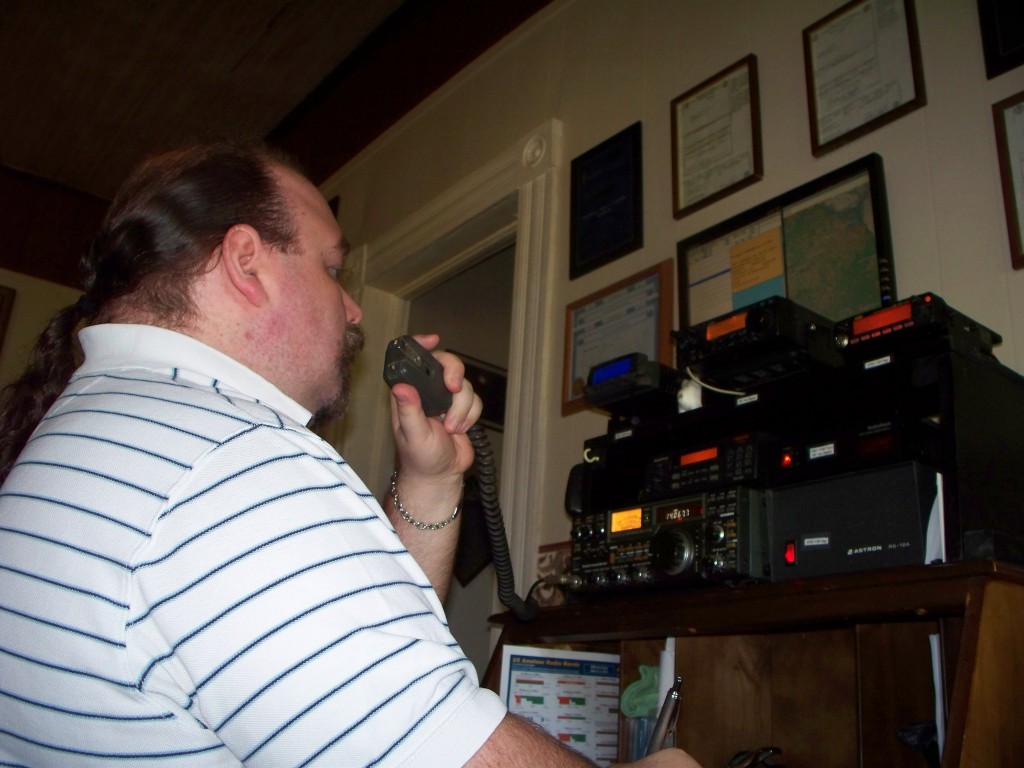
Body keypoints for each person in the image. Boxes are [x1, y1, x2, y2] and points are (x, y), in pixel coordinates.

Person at [0, 140, 702, 768]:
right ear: (247, 262)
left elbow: (353, 685)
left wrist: (429, 485)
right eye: (333, 269)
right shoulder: (233, 462)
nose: (355, 308)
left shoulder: (91, 436)